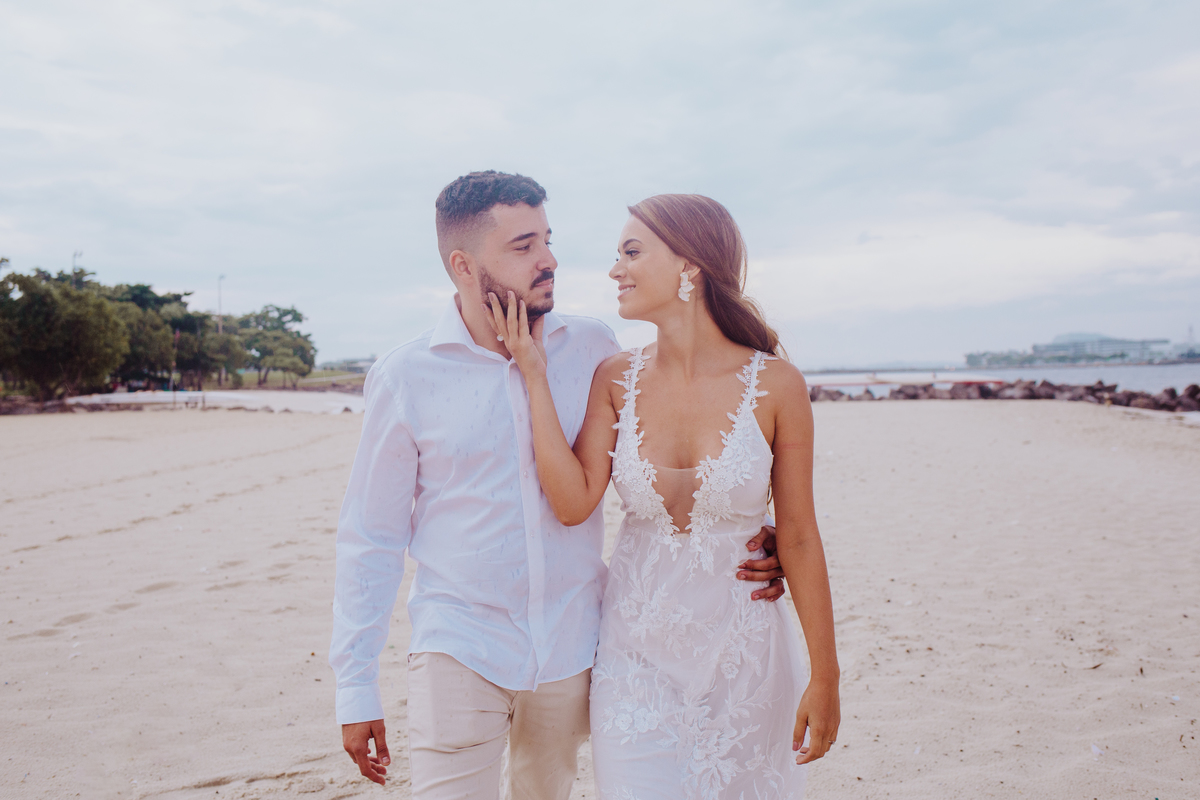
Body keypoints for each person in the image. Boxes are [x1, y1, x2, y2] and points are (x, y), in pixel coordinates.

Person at [329, 172, 786, 800]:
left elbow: (669, 445)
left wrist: (752, 531)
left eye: (547, 239)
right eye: (522, 247)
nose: (548, 261)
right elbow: (371, 537)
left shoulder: (594, 347)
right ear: (463, 265)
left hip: (574, 647)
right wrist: (354, 686)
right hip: (459, 643)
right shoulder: (407, 376)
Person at [489, 193, 841, 799]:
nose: (614, 269)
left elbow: (801, 535)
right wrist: (533, 371)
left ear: (691, 267)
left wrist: (826, 677)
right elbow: (573, 503)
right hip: (634, 653)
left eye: (631, 251)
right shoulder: (615, 378)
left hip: (745, 653)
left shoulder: (776, 385)